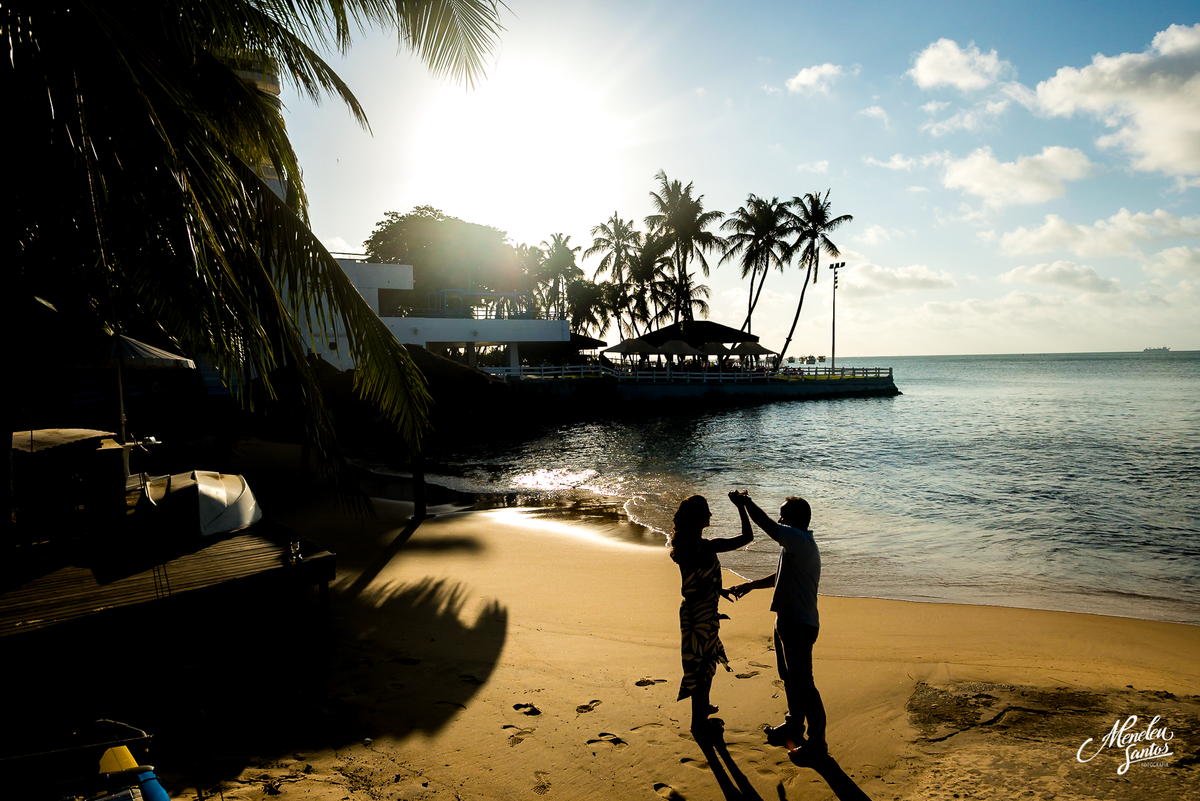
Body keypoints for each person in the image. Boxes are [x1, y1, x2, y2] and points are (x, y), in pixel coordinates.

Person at [728, 492, 827, 759]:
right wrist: (751, 585)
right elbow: (780, 576)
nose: (780, 518)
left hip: (799, 624)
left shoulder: (801, 539)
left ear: (797, 520)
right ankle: (795, 724)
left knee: (804, 684)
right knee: (789, 678)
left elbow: (770, 527)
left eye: (784, 514)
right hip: (786, 620)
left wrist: (747, 504)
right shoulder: (794, 547)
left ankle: (818, 743)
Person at [669, 492, 753, 735]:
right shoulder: (705, 547)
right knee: (704, 666)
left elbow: (696, 582)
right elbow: (747, 537)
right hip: (703, 615)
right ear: (697, 518)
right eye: (707, 511)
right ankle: (699, 723)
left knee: (699, 663)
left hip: (692, 611)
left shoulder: (685, 545)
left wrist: (719, 589)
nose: (711, 514)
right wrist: (741, 507)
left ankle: (702, 710)